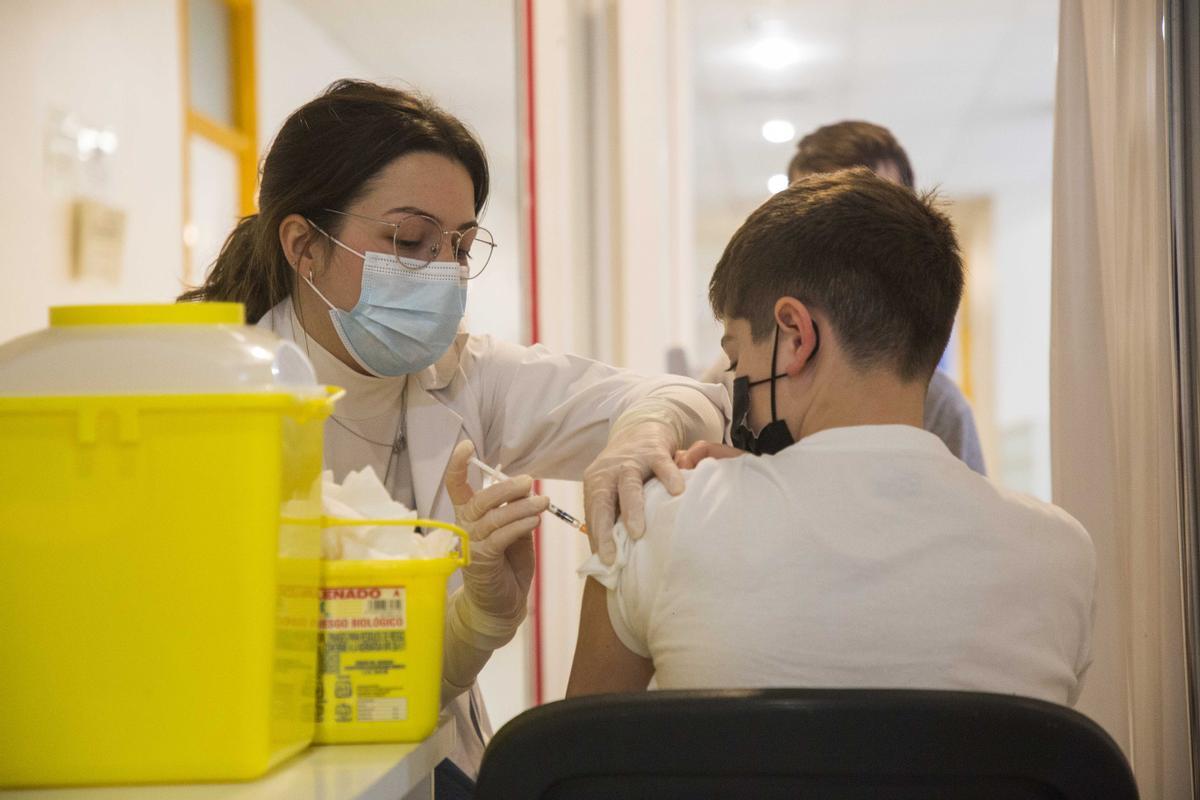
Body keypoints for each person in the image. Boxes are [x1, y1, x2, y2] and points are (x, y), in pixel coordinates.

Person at [179, 80, 727, 780]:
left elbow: (696, 400)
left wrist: (646, 428)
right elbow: (256, 680)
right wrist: (468, 632)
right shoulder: (211, 403)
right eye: (409, 241)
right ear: (301, 244)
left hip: (430, 768)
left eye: (460, 248)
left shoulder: (462, 374)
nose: (442, 275)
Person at [568, 168, 1095, 708]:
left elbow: (573, 770)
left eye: (735, 354)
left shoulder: (659, 520)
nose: (732, 377)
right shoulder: (1062, 555)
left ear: (796, 336)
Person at [702, 119, 986, 474]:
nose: (840, 233)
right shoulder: (738, 375)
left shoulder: (942, 409)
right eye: (810, 212)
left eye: (872, 211)